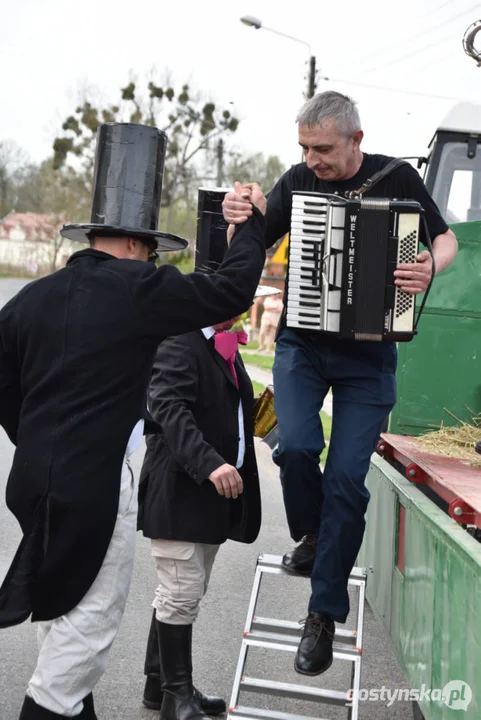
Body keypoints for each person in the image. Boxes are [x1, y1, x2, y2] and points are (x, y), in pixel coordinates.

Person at [0, 122, 267, 720]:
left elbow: (7, 394)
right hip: (94, 486)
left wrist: (43, 439)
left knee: (61, 613)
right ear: (132, 245)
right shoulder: (138, 290)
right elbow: (230, 290)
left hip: (34, 481)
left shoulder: (29, 301)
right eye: (149, 251)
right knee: (86, 632)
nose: (149, 261)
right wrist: (250, 228)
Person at [222, 91, 458, 677]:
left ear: (355, 139)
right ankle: (312, 533)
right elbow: (251, 245)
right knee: (297, 445)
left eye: (322, 148)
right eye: (304, 146)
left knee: (348, 482)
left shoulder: (397, 176)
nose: (312, 158)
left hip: (371, 358)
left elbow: (445, 238)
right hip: (303, 346)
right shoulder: (297, 179)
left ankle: (322, 614)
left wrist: (430, 264)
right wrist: (237, 220)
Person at [138, 310, 261, 720]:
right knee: (180, 592)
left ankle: (162, 684)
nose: (243, 308)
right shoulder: (179, 339)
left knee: (185, 592)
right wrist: (209, 462)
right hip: (182, 489)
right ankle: (176, 698)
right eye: (237, 297)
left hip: (213, 496)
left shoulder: (222, 343)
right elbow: (168, 407)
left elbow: (229, 408)